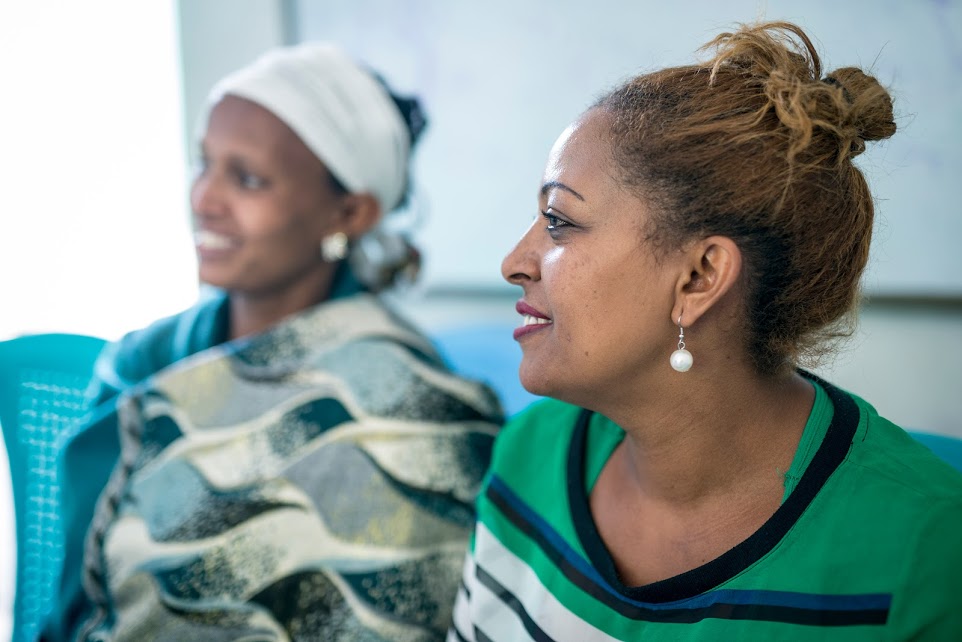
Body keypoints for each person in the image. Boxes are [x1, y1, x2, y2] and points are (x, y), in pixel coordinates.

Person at [450, 21, 962, 641]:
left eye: (559, 222)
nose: (514, 263)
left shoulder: (925, 549)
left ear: (699, 277)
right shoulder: (528, 453)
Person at [42, 43, 503, 641]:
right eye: (202, 163)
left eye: (248, 179)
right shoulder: (144, 361)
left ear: (350, 212)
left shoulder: (411, 405)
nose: (204, 199)